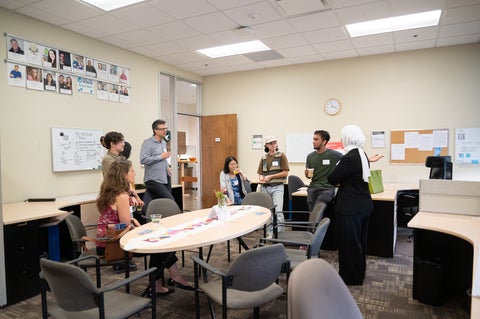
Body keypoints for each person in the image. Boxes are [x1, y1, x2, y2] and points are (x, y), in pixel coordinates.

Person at [96, 160, 191, 294]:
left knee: (159, 244)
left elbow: (125, 220)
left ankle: (167, 280)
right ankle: (171, 278)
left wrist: (133, 194)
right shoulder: (121, 196)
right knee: (159, 245)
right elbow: (126, 226)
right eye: (132, 171)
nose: (135, 173)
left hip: (104, 242)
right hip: (114, 244)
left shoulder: (112, 193)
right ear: (123, 174)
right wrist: (137, 223)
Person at [327, 125, 373, 286]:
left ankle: (350, 277)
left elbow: (332, 178)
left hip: (349, 206)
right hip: (363, 204)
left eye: (342, 137)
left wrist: (341, 179)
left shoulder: (349, 157)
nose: (341, 140)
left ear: (348, 138)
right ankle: (359, 272)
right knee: (359, 241)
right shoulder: (362, 154)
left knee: (348, 243)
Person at [257, 135, 289, 236]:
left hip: (277, 187)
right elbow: (260, 172)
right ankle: (270, 234)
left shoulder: (281, 156)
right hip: (265, 187)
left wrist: (271, 177)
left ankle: (280, 235)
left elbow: (285, 172)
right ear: (266, 145)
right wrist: (261, 178)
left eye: (274, 143)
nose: (273, 145)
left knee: (278, 211)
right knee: (268, 212)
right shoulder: (263, 158)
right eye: (270, 143)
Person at [100, 132, 143, 208]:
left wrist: (132, 195)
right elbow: (118, 180)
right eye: (121, 142)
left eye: (123, 141)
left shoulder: (121, 158)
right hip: (115, 196)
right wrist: (132, 194)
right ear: (112, 144)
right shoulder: (108, 160)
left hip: (124, 193)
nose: (123, 144)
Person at [305, 130, 343, 211]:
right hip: (313, 187)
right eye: (313, 139)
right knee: (312, 213)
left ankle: (316, 223)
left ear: (324, 141)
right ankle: (314, 224)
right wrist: (306, 174)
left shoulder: (335, 155)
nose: (313, 142)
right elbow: (309, 176)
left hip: (327, 188)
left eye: (316, 139)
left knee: (317, 211)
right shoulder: (310, 156)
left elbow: (348, 161)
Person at [140, 119, 175, 201]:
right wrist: (160, 157)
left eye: (166, 128)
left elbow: (163, 158)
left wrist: (167, 167)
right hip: (153, 179)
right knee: (170, 201)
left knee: (163, 203)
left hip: (165, 177)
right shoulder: (148, 143)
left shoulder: (163, 142)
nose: (165, 131)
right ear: (155, 130)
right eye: (162, 129)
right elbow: (143, 160)